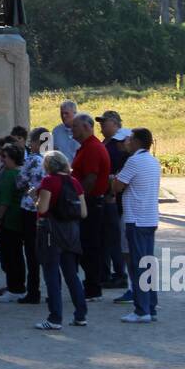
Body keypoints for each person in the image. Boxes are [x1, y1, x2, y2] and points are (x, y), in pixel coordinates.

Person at [111, 127, 161, 324]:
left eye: (130, 139)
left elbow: (117, 187)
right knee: (147, 264)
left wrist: (113, 179)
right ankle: (151, 306)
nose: (126, 142)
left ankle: (141, 310)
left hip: (136, 218)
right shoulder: (153, 161)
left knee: (137, 265)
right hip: (149, 218)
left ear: (138, 142)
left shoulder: (134, 161)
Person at [34, 150, 88, 331]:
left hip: (51, 233)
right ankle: (80, 315)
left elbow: (42, 208)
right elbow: (83, 212)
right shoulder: (75, 183)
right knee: (72, 275)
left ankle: (55, 317)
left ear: (48, 166)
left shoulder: (49, 181)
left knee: (51, 276)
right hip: (71, 233)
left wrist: (35, 197)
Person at [71, 113, 111, 302]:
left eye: (75, 127)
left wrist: (78, 200)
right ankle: (92, 285)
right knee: (87, 245)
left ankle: (93, 288)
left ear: (86, 127)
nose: (72, 130)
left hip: (90, 203)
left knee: (90, 246)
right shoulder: (86, 147)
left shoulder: (93, 148)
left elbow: (90, 179)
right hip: (89, 202)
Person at [14, 126, 50, 304]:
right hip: (48, 208)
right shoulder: (54, 159)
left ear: (36, 143)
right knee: (48, 251)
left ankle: (33, 290)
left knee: (31, 251)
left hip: (30, 208)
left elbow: (19, 182)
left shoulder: (32, 160)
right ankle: (52, 290)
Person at [98, 110, 129, 290]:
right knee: (107, 237)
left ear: (116, 124)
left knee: (113, 238)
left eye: (105, 122)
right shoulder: (107, 142)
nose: (101, 126)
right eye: (101, 122)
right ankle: (108, 273)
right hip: (107, 196)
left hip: (114, 197)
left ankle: (119, 274)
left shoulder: (119, 143)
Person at [0, 140, 27, 301]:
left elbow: (5, 200)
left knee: (10, 255)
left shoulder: (9, 175)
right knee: (14, 254)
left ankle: (15, 288)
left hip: (9, 220)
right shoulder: (18, 172)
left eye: (4, 156)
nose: (2, 159)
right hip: (17, 221)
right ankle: (14, 285)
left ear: (12, 158)